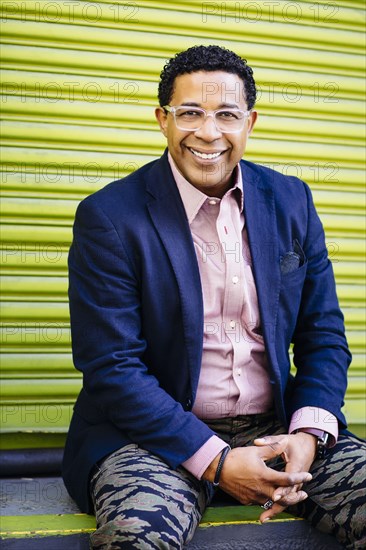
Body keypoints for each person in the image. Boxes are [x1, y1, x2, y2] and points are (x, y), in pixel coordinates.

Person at [62, 45, 365, 549]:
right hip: (150, 436)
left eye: (226, 114)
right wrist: (218, 461)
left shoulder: (292, 201)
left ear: (250, 122)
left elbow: (324, 336)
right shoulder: (110, 217)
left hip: (278, 427)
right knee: (137, 540)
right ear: (163, 120)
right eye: (190, 114)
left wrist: (308, 436)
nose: (208, 132)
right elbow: (111, 366)